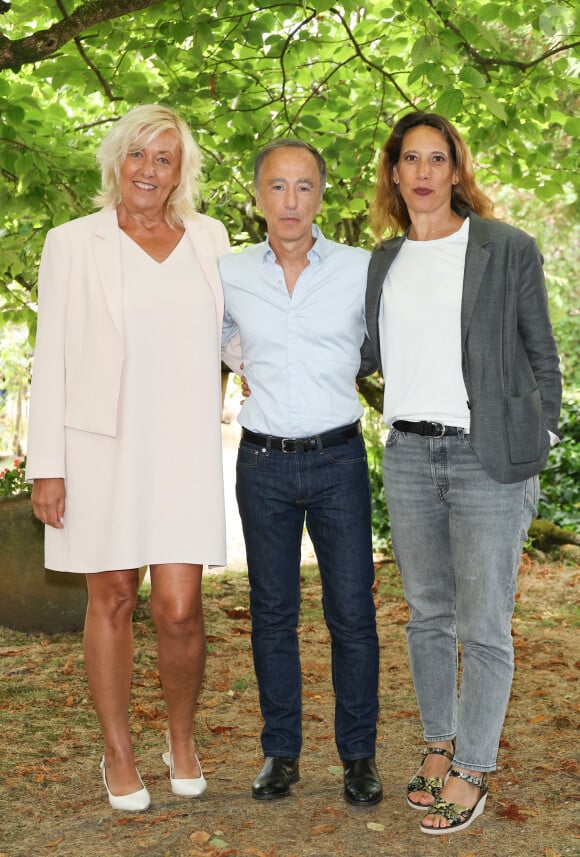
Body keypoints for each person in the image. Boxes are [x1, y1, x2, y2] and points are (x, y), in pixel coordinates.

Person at [26, 104, 234, 811]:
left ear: (182, 171)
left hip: (183, 444)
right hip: (98, 447)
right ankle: (117, 751)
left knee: (179, 608)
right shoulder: (72, 242)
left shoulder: (210, 238)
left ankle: (181, 738)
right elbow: (48, 357)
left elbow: (239, 336)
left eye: (165, 158)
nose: (149, 169)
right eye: (139, 154)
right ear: (117, 160)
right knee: (111, 596)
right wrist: (45, 464)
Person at [365, 111, 562, 834]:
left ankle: (475, 764)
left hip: (488, 455)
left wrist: (536, 433)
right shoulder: (382, 262)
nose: (422, 172)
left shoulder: (505, 248)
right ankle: (439, 745)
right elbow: (354, 348)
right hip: (410, 455)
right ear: (394, 172)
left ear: (456, 169)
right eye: (409, 159)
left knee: (483, 622)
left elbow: (543, 351)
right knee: (426, 616)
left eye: (436, 158)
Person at [219, 140, 383, 806]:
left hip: (339, 458)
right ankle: (280, 753)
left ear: (322, 194)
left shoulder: (360, 268)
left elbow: (377, 346)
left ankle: (359, 757)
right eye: (277, 187)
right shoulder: (227, 272)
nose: (291, 202)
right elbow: (217, 340)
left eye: (304, 187)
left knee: (352, 613)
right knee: (272, 614)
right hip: (261, 463)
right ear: (258, 194)